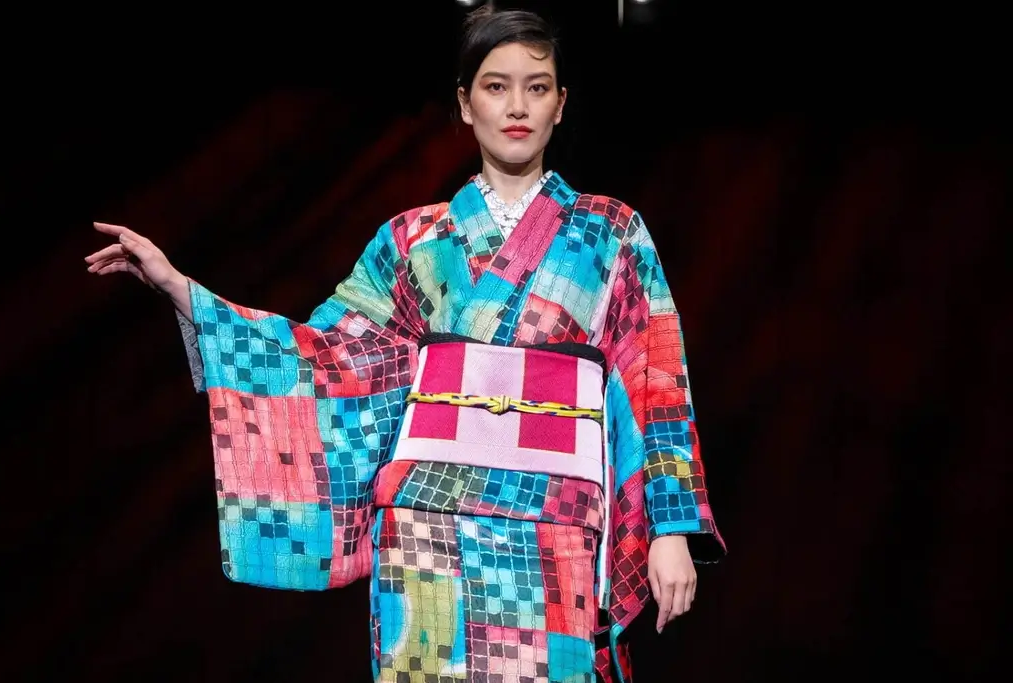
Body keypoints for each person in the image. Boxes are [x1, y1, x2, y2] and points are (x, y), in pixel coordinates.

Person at [85, 7, 725, 682]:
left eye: (537, 87)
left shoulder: (612, 232)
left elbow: (656, 381)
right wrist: (184, 290)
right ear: (464, 102)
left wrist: (670, 525)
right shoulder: (411, 240)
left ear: (562, 105)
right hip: (427, 526)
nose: (517, 106)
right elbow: (325, 357)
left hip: (553, 520)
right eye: (495, 86)